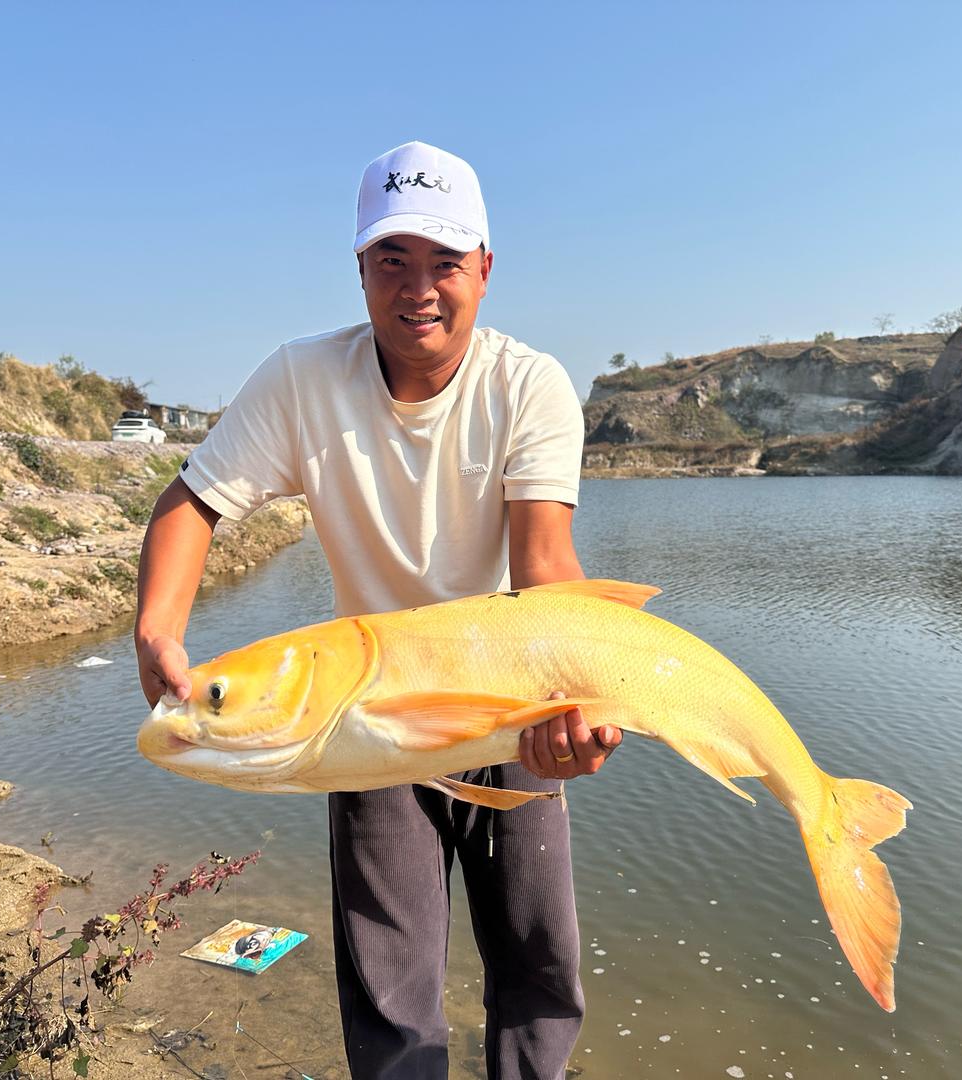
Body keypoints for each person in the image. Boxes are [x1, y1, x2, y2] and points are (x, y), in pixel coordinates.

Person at [135, 141, 622, 1080]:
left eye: (445, 261)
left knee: (539, 966)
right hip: (362, 714)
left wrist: (583, 703)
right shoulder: (304, 379)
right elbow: (191, 503)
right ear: (360, 268)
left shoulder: (528, 384)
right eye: (392, 259)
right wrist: (158, 628)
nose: (419, 288)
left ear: (485, 268)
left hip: (508, 703)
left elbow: (545, 566)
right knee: (391, 995)